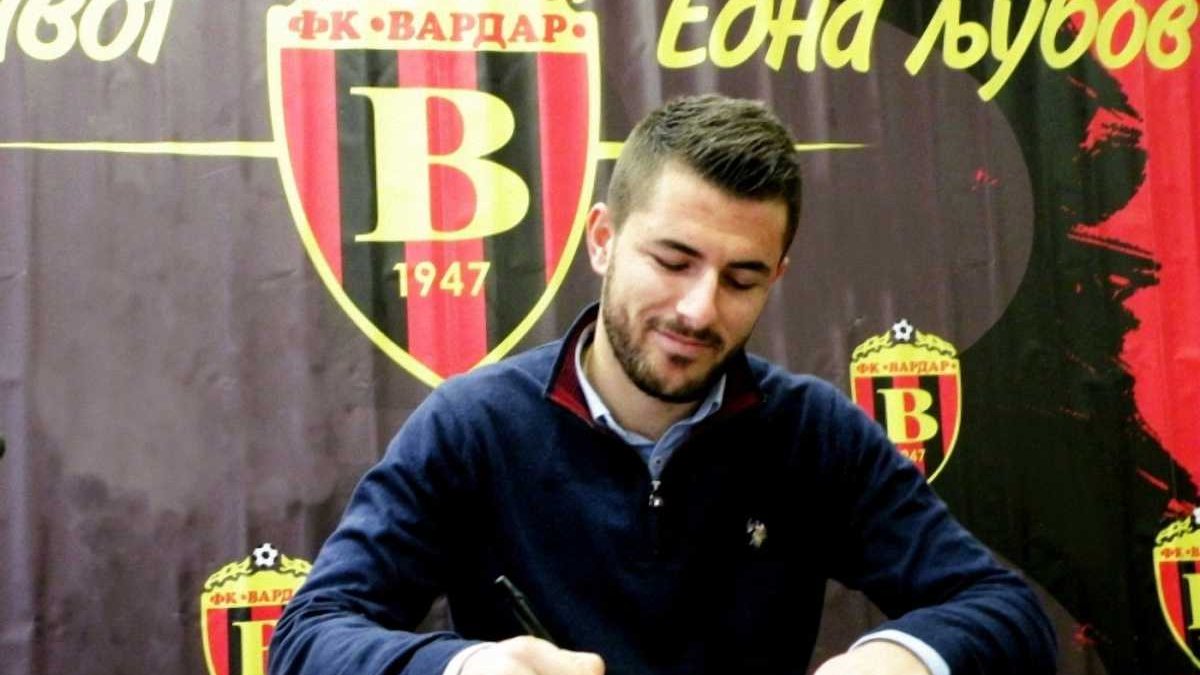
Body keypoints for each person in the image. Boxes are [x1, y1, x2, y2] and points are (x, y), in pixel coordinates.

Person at [269, 94, 1056, 675]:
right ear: (603, 239)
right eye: (673, 261)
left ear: (777, 275)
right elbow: (307, 636)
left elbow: (1006, 610)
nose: (698, 308)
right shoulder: (473, 425)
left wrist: (902, 656)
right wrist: (466, 666)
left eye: (742, 278)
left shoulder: (811, 434)